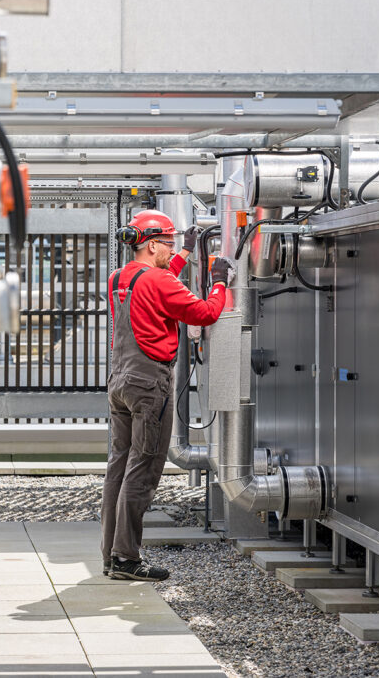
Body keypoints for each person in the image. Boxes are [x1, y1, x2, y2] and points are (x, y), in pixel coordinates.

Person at [101, 209, 233, 582]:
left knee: (119, 465)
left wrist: (186, 254)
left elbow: (158, 281)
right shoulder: (159, 281)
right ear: (153, 243)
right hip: (149, 383)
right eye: (170, 243)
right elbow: (205, 313)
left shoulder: (119, 278)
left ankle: (111, 555)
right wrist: (220, 281)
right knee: (143, 468)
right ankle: (127, 558)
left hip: (120, 381)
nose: (171, 248)